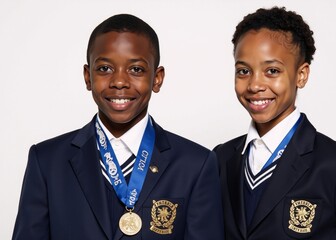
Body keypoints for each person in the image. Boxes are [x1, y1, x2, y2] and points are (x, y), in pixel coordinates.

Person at [13, 14, 224, 240]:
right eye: (104, 68)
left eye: (136, 70)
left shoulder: (195, 164)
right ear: (87, 77)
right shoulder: (47, 161)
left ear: (157, 79)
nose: (119, 81)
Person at [214, 7, 336, 240]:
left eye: (272, 70)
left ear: (301, 75)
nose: (254, 85)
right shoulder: (222, 158)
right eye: (243, 71)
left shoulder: (335, 166)